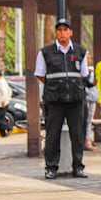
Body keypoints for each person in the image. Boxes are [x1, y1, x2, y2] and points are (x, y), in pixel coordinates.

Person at [36, 18, 90, 179]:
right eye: (59, 30)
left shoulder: (80, 51)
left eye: (66, 30)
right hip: (54, 101)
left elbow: (84, 75)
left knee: (78, 136)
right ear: (55, 33)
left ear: (71, 32)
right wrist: (56, 85)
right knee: (52, 135)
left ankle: (78, 167)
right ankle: (51, 168)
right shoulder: (45, 52)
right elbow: (40, 75)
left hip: (75, 100)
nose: (63, 33)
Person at [0, 70, 12, 137]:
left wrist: (3, 101)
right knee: (1, 118)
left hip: (1, 104)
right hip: (1, 103)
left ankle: (8, 128)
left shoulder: (1, 82)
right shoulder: (2, 81)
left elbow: (5, 92)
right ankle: (3, 134)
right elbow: (9, 90)